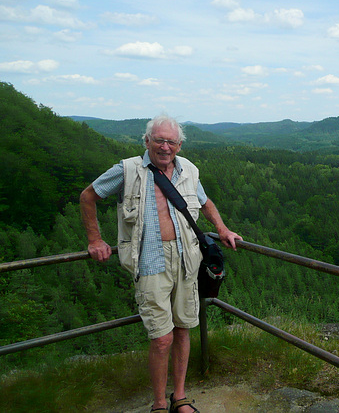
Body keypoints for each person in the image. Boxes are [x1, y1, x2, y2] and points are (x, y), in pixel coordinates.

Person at [80, 114, 242, 413]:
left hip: (186, 261)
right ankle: (157, 404)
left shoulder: (189, 171)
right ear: (147, 142)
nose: (165, 147)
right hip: (149, 262)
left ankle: (178, 398)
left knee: (183, 329)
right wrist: (95, 240)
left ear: (178, 145)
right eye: (159, 140)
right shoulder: (127, 170)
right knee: (162, 338)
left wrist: (222, 230)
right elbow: (88, 196)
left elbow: (205, 203)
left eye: (171, 141)